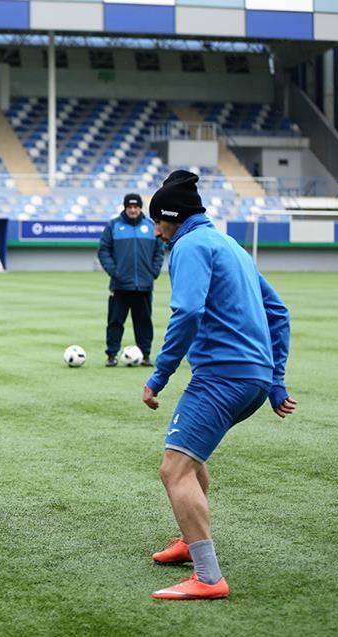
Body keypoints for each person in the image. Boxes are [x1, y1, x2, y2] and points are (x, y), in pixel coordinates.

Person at [141, 170, 297, 600]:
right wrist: (276, 380)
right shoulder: (230, 245)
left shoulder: (189, 245)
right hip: (252, 380)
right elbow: (279, 312)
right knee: (190, 457)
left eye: (158, 221)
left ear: (173, 217)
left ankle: (209, 577)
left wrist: (159, 376)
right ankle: (189, 541)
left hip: (221, 377)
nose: (156, 231)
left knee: (173, 470)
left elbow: (188, 312)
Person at [98, 193, 164, 367]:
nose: (133, 210)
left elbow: (159, 251)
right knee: (115, 321)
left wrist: (153, 271)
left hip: (144, 285)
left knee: (144, 322)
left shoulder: (151, 226)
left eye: (136, 207)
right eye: (130, 207)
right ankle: (112, 355)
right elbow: (103, 250)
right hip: (120, 285)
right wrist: (114, 272)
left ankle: (145, 355)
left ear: (140, 208)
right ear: (125, 208)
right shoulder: (114, 226)